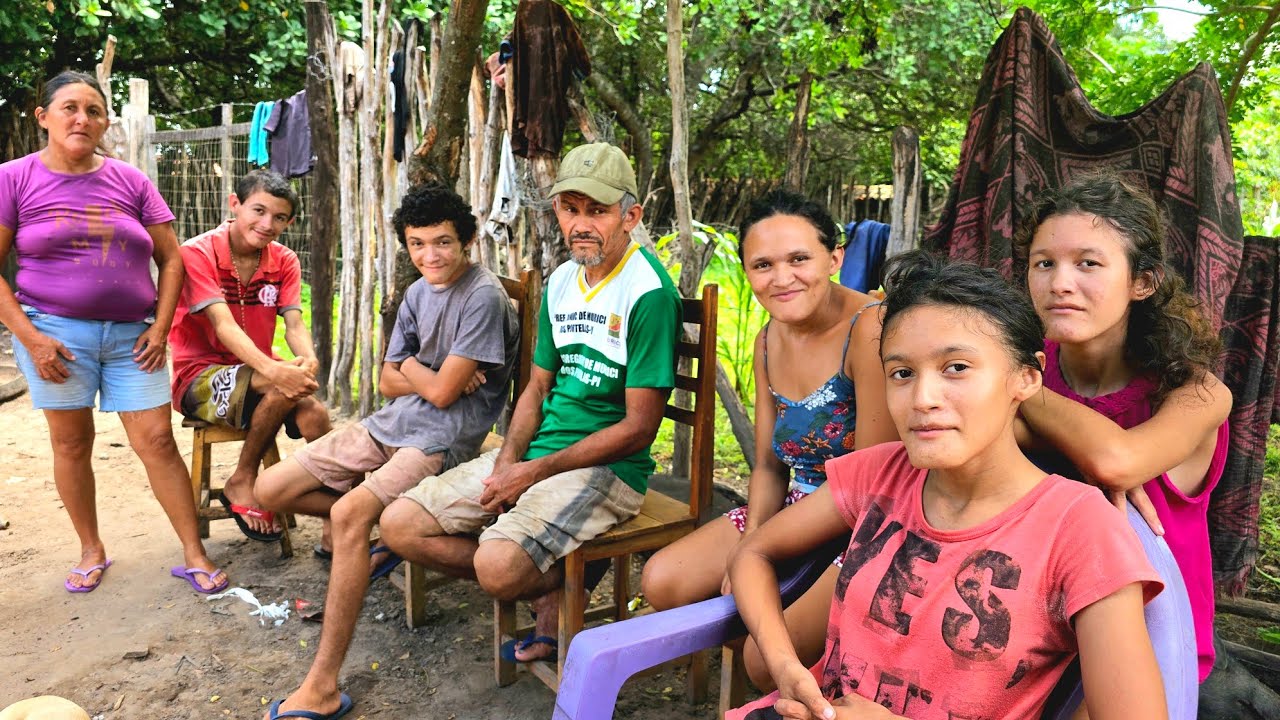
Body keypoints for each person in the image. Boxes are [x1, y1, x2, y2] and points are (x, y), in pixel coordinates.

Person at [725, 251, 1167, 720]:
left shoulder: (1078, 527)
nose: (923, 399)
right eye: (902, 374)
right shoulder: (880, 473)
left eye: (956, 367)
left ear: (1026, 378)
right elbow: (754, 552)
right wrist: (784, 664)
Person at [377, 142, 681, 668]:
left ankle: (544, 582)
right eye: (570, 208)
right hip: (540, 456)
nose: (580, 224)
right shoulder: (562, 281)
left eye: (598, 211)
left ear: (630, 217)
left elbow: (638, 428)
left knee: (498, 569)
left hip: (608, 469)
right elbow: (537, 389)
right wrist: (508, 461)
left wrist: (534, 472)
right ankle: (551, 581)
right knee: (399, 524)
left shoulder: (648, 293)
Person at [258, 183, 519, 719]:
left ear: (467, 240)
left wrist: (418, 373)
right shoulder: (418, 292)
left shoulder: (483, 297)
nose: (430, 256)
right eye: (417, 244)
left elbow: (442, 397)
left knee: (349, 515)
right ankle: (374, 530)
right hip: (393, 421)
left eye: (443, 242)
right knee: (270, 489)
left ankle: (322, 685)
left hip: (443, 438)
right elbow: (387, 379)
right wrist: (431, 375)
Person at [641, 189, 896, 688]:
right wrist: (752, 539)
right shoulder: (767, 340)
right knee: (663, 581)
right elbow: (767, 465)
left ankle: (805, 677)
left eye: (799, 259)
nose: (781, 278)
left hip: (867, 521)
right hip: (795, 506)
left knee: (762, 659)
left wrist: (760, 554)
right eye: (763, 265)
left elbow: (868, 482)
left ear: (835, 259)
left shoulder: (870, 329)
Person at [0, 70, 226, 594]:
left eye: (94, 111)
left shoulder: (131, 180)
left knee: (158, 441)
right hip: (54, 337)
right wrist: (32, 339)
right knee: (71, 444)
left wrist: (162, 326)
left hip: (133, 339)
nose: (82, 119)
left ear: (105, 123)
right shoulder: (13, 178)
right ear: (43, 117)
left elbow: (172, 259)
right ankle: (91, 549)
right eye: (70, 108)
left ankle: (193, 551)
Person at [1013, 173, 1231, 685]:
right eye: (1044, 263)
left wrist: (1015, 389)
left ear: (1143, 282)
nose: (1060, 283)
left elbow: (1117, 461)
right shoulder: (1029, 364)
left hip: (1154, 645)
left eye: (1088, 263)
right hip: (1036, 634)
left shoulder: (1197, 393)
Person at [168, 169, 332, 542]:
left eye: (279, 217)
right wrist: (276, 370)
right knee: (280, 384)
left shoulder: (285, 260)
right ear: (235, 205)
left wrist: (308, 359)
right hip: (200, 377)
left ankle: (333, 515)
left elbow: (294, 324)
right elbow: (223, 325)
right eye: (258, 211)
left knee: (316, 416)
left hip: (258, 372)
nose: (267, 224)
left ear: (289, 223)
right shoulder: (197, 253)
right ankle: (242, 478)